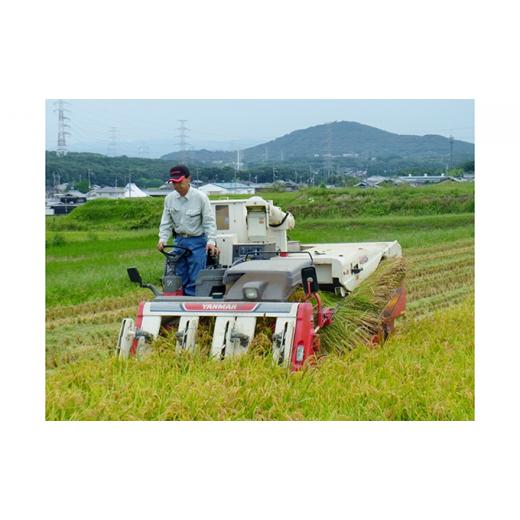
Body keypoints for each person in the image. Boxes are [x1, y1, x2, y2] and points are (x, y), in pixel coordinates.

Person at [157, 165, 218, 296]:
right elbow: (166, 222)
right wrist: (162, 239)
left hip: (197, 242)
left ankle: (192, 304)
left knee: (195, 278)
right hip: (179, 241)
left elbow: (209, 222)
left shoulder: (201, 197)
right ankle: (179, 302)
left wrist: (211, 241)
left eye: (179, 182)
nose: (177, 186)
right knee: (178, 276)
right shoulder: (170, 199)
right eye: (174, 182)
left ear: (189, 179)